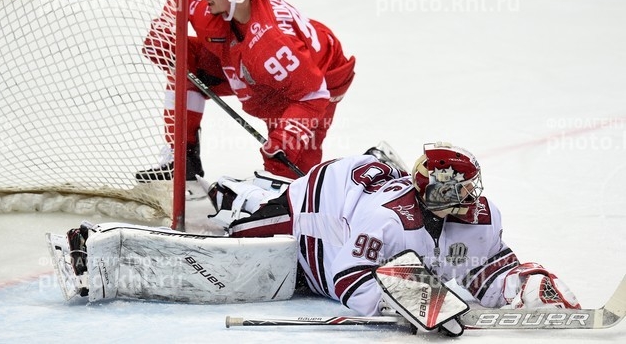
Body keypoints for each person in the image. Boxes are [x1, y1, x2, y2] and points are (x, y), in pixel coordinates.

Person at [207, 142, 581, 334]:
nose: (474, 197)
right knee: (243, 228)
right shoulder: (386, 219)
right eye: (464, 190)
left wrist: (524, 285)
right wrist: (402, 298)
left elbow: (485, 269)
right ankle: (238, 193)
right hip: (317, 206)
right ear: (440, 194)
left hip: (354, 208)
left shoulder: (482, 216)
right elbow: (347, 276)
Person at [136, 0, 356, 183]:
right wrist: (165, 28)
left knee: (287, 179)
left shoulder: (271, 44)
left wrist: (284, 139)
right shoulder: (220, 1)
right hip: (250, 62)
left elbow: (311, 96)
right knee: (179, 57)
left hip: (317, 76)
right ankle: (182, 158)